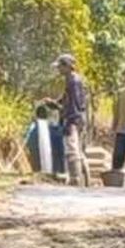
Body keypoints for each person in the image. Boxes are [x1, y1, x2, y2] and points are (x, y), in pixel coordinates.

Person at [44, 53, 90, 187]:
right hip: (75, 118)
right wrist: (54, 103)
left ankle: (76, 180)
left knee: (72, 151)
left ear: (68, 67)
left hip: (73, 120)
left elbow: (75, 105)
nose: (58, 70)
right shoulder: (70, 80)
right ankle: (84, 181)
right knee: (78, 151)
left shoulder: (74, 81)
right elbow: (65, 100)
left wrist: (70, 121)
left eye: (60, 67)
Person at [24, 103, 65, 177]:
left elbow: (26, 142)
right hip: (55, 165)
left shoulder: (32, 128)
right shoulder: (55, 130)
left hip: (36, 161)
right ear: (47, 116)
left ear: (36, 115)